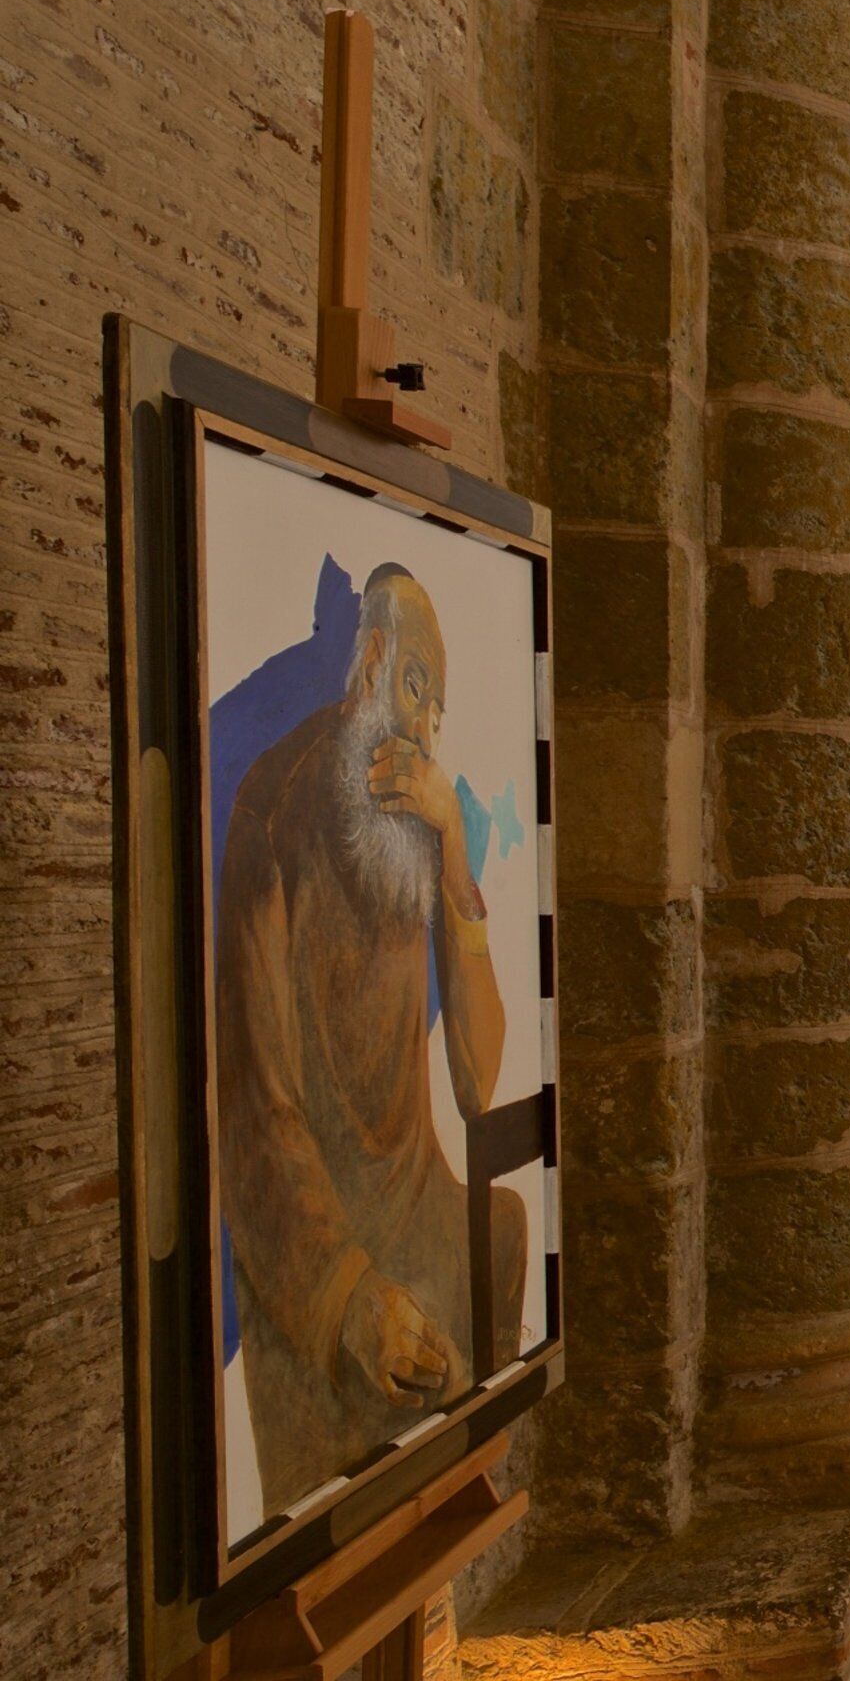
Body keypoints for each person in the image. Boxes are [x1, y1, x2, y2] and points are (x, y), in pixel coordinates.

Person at [216, 564, 527, 1510]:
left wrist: (456, 851)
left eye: (438, 712)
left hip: (416, 1206)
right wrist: (355, 1300)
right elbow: (256, 1120)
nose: (426, 730)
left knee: (506, 1237)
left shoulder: (416, 825)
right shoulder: (273, 813)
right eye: (417, 691)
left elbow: (479, 1081)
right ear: (375, 659)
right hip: (320, 1258)